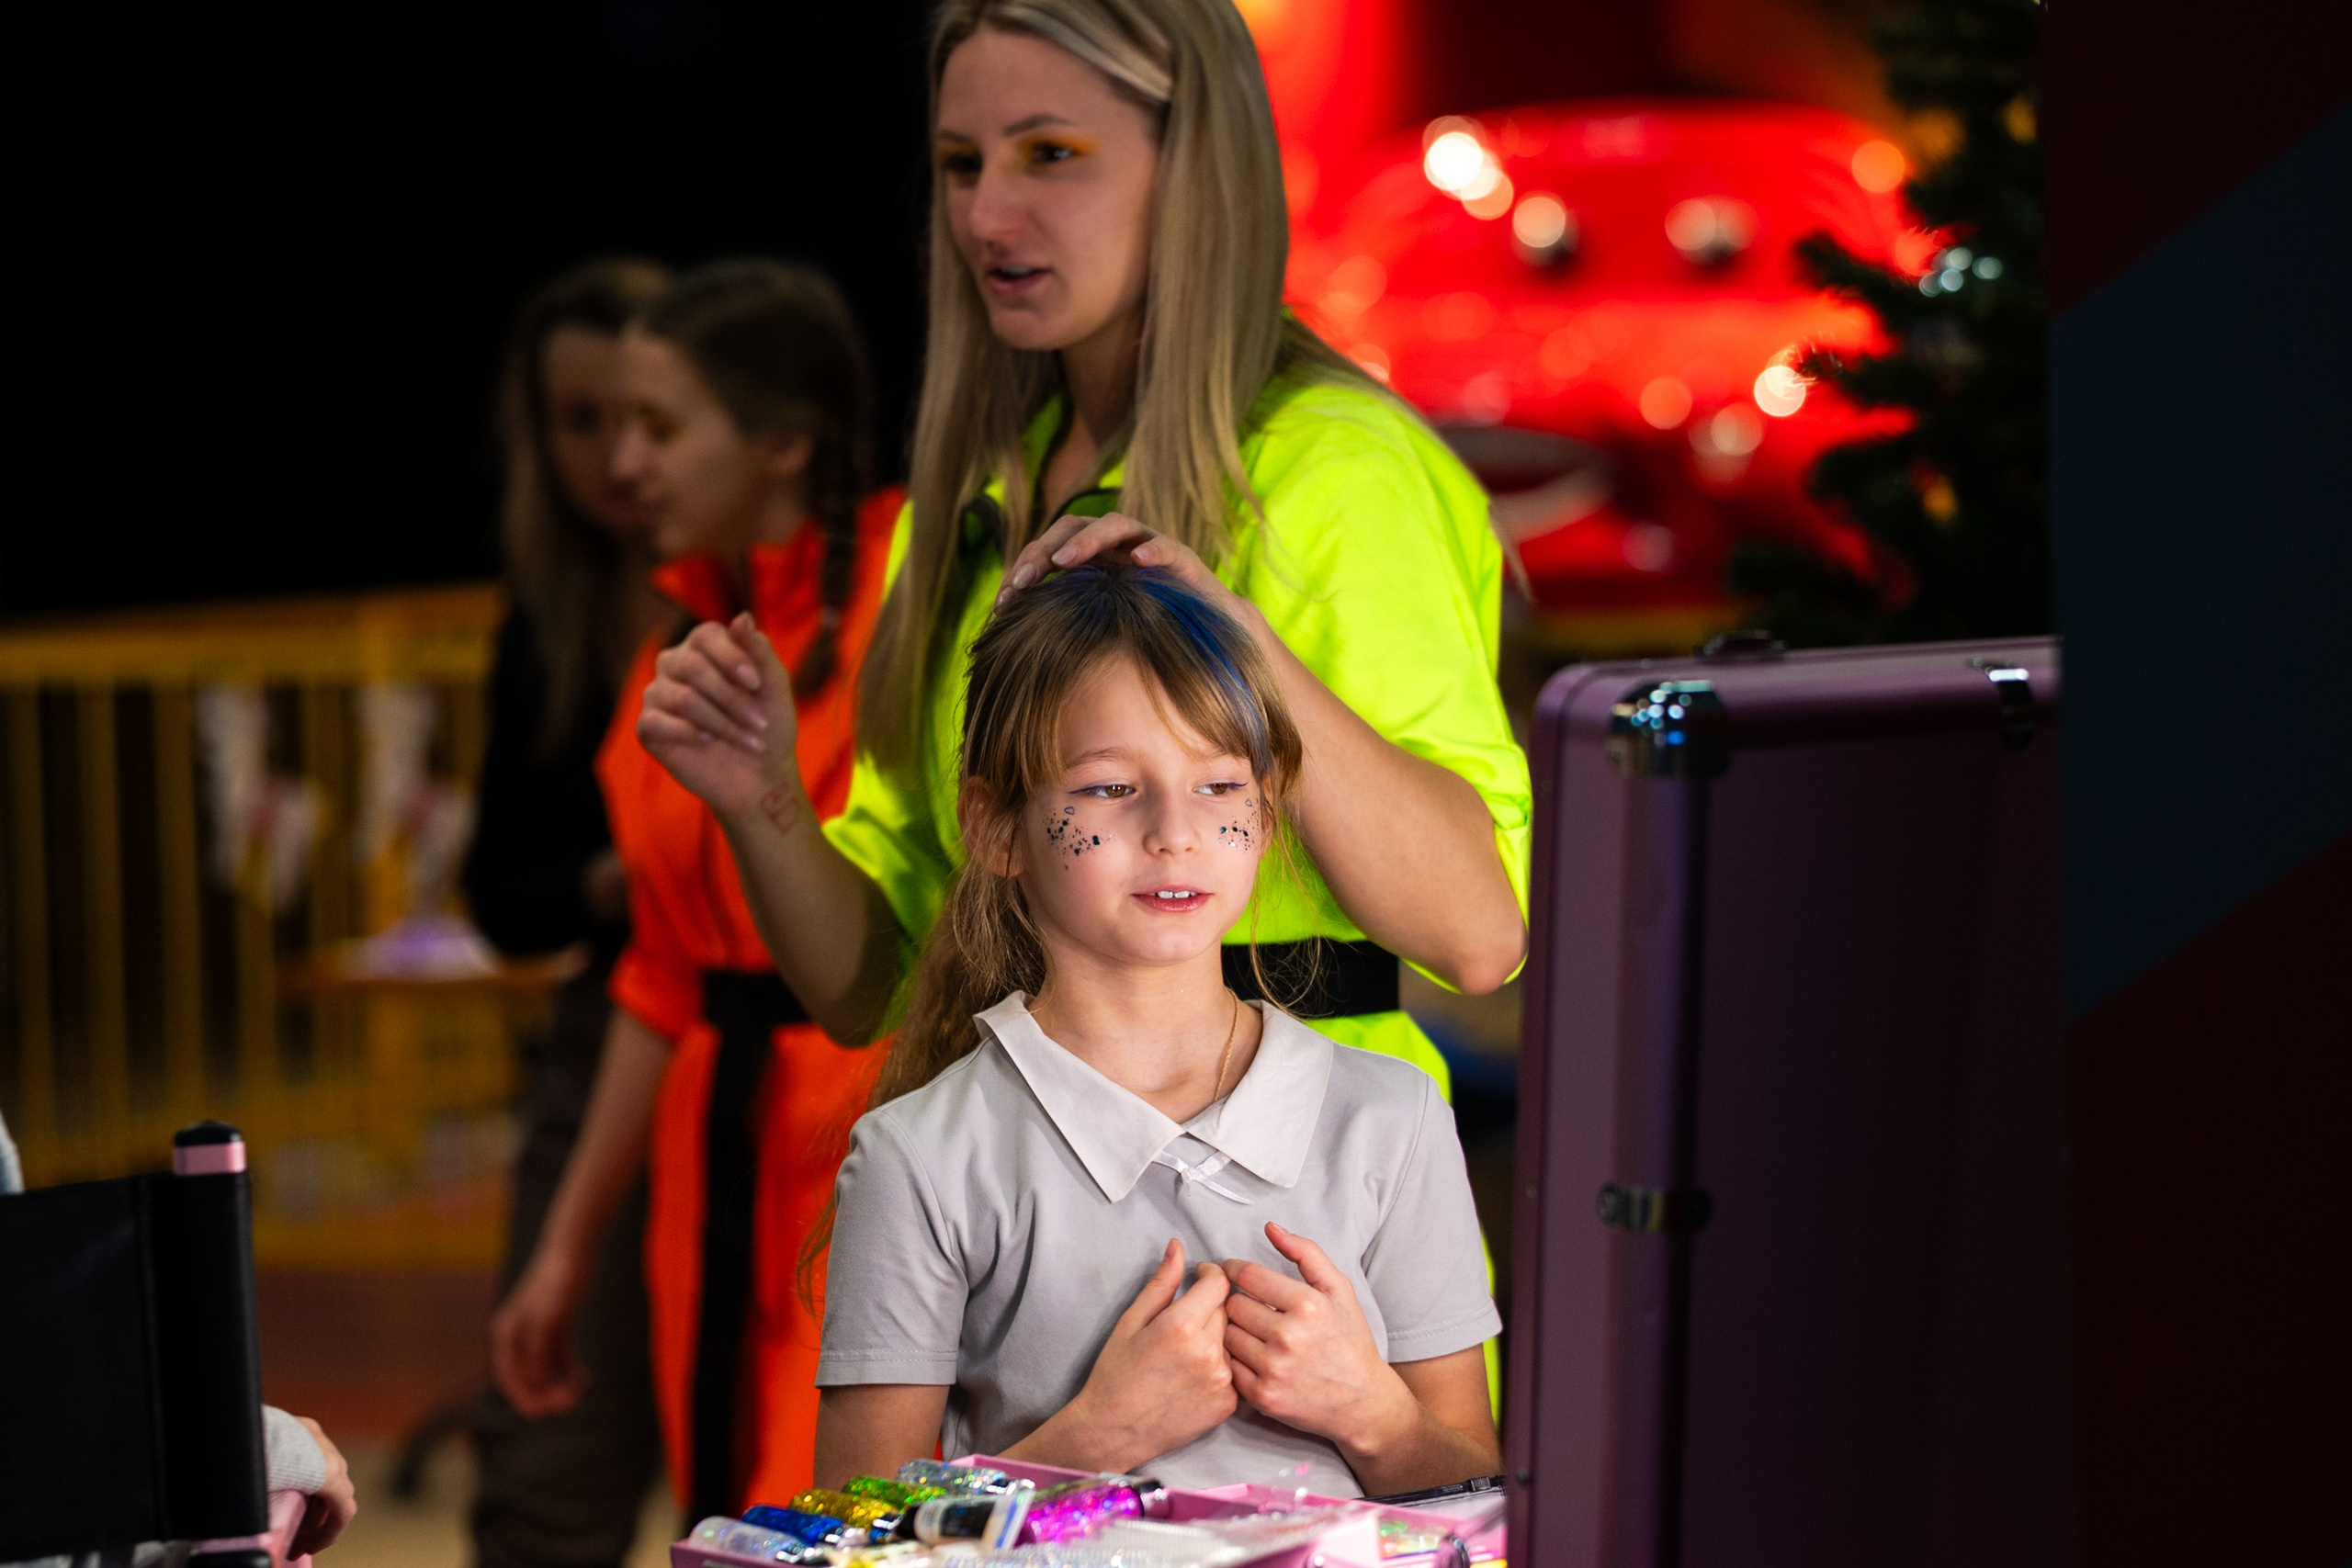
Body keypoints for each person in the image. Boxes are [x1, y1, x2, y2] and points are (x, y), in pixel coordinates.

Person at [634, 0, 1529, 1116]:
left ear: (1193, 169)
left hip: (1292, 1221)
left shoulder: (1333, 469)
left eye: (1050, 155)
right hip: (1029, 1205)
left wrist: (1237, 645)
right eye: (961, 164)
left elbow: (1476, 931)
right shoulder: (969, 500)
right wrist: (758, 792)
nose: (987, 214)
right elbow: (869, 986)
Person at [812, 565, 1501, 1496]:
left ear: (1266, 811)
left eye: (1219, 785)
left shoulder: (1392, 1116)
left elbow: (1477, 1488)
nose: (1174, 830)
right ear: (994, 827)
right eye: (1106, 790)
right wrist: (1091, 1441)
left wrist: (1370, 1414)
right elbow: (857, 1532)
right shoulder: (918, 1157)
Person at [490, 261, 899, 1524]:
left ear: (784, 440)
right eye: (609, 426)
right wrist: (563, 1249)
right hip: (706, 1143)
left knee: (843, 1513)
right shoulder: (683, 651)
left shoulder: (913, 594)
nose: (627, 464)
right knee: (726, 1515)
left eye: (660, 427)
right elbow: (658, 976)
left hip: (867, 1132)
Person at [463, 257, 673, 1568]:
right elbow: (501, 889)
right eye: (579, 421)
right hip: (618, 1019)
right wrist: (618, 874)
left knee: (782, 1458)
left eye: (646, 418)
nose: (617, 458)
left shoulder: (799, 586)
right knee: (549, 1445)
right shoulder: (546, 616)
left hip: (792, 1044)